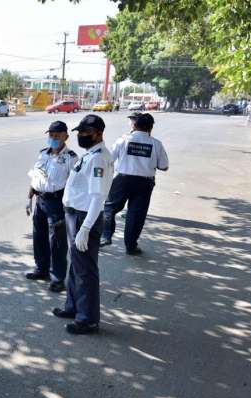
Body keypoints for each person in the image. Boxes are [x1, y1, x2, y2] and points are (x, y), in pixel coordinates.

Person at [52, 115, 113, 335]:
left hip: (84, 217)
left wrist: (86, 228)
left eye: (84, 132)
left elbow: (99, 197)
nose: (80, 136)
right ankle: (73, 306)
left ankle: (87, 319)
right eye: (79, 132)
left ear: (98, 133)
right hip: (75, 215)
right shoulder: (91, 155)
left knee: (85, 269)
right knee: (76, 265)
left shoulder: (98, 159)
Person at [101, 113, 168, 255]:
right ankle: (131, 247)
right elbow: (164, 166)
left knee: (109, 208)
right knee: (136, 215)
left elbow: (109, 159)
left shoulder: (123, 140)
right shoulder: (156, 144)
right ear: (151, 128)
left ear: (135, 125)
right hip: (145, 183)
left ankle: (105, 235)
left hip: (122, 180)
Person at [25, 121, 79, 293]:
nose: (53, 138)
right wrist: (30, 193)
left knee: (57, 241)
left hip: (57, 201)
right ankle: (41, 268)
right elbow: (36, 175)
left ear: (66, 137)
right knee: (39, 235)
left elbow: (75, 183)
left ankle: (57, 278)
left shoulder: (71, 158)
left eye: (57, 135)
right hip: (40, 199)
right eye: (51, 135)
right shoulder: (43, 154)